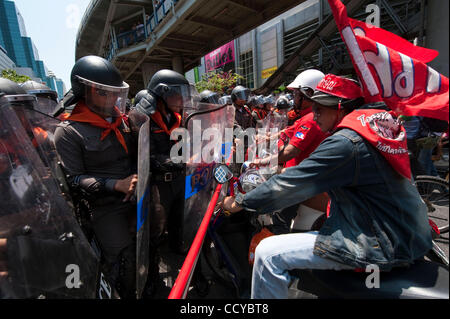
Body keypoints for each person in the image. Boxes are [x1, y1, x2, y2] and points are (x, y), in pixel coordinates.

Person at [221, 74, 432, 299]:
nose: (315, 114)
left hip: (379, 239)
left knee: (267, 252)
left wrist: (239, 202)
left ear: (340, 109)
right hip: (396, 228)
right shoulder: (370, 129)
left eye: (321, 109)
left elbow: (290, 184)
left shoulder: (346, 142)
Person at [54, 55, 137, 299]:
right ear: (84, 92)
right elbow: (74, 180)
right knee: (122, 258)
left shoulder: (122, 121)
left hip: (135, 196)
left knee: (146, 243)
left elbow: (137, 155)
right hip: (103, 206)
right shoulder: (69, 132)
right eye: (104, 93)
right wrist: (115, 185)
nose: (112, 99)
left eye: (115, 93)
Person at [133, 69, 192, 297]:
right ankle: (150, 274)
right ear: (163, 94)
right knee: (155, 229)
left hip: (178, 180)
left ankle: (180, 252)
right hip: (158, 183)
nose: (183, 99)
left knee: (179, 219)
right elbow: (141, 154)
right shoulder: (141, 118)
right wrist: (170, 162)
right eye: (179, 94)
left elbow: (185, 146)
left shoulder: (178, 118)